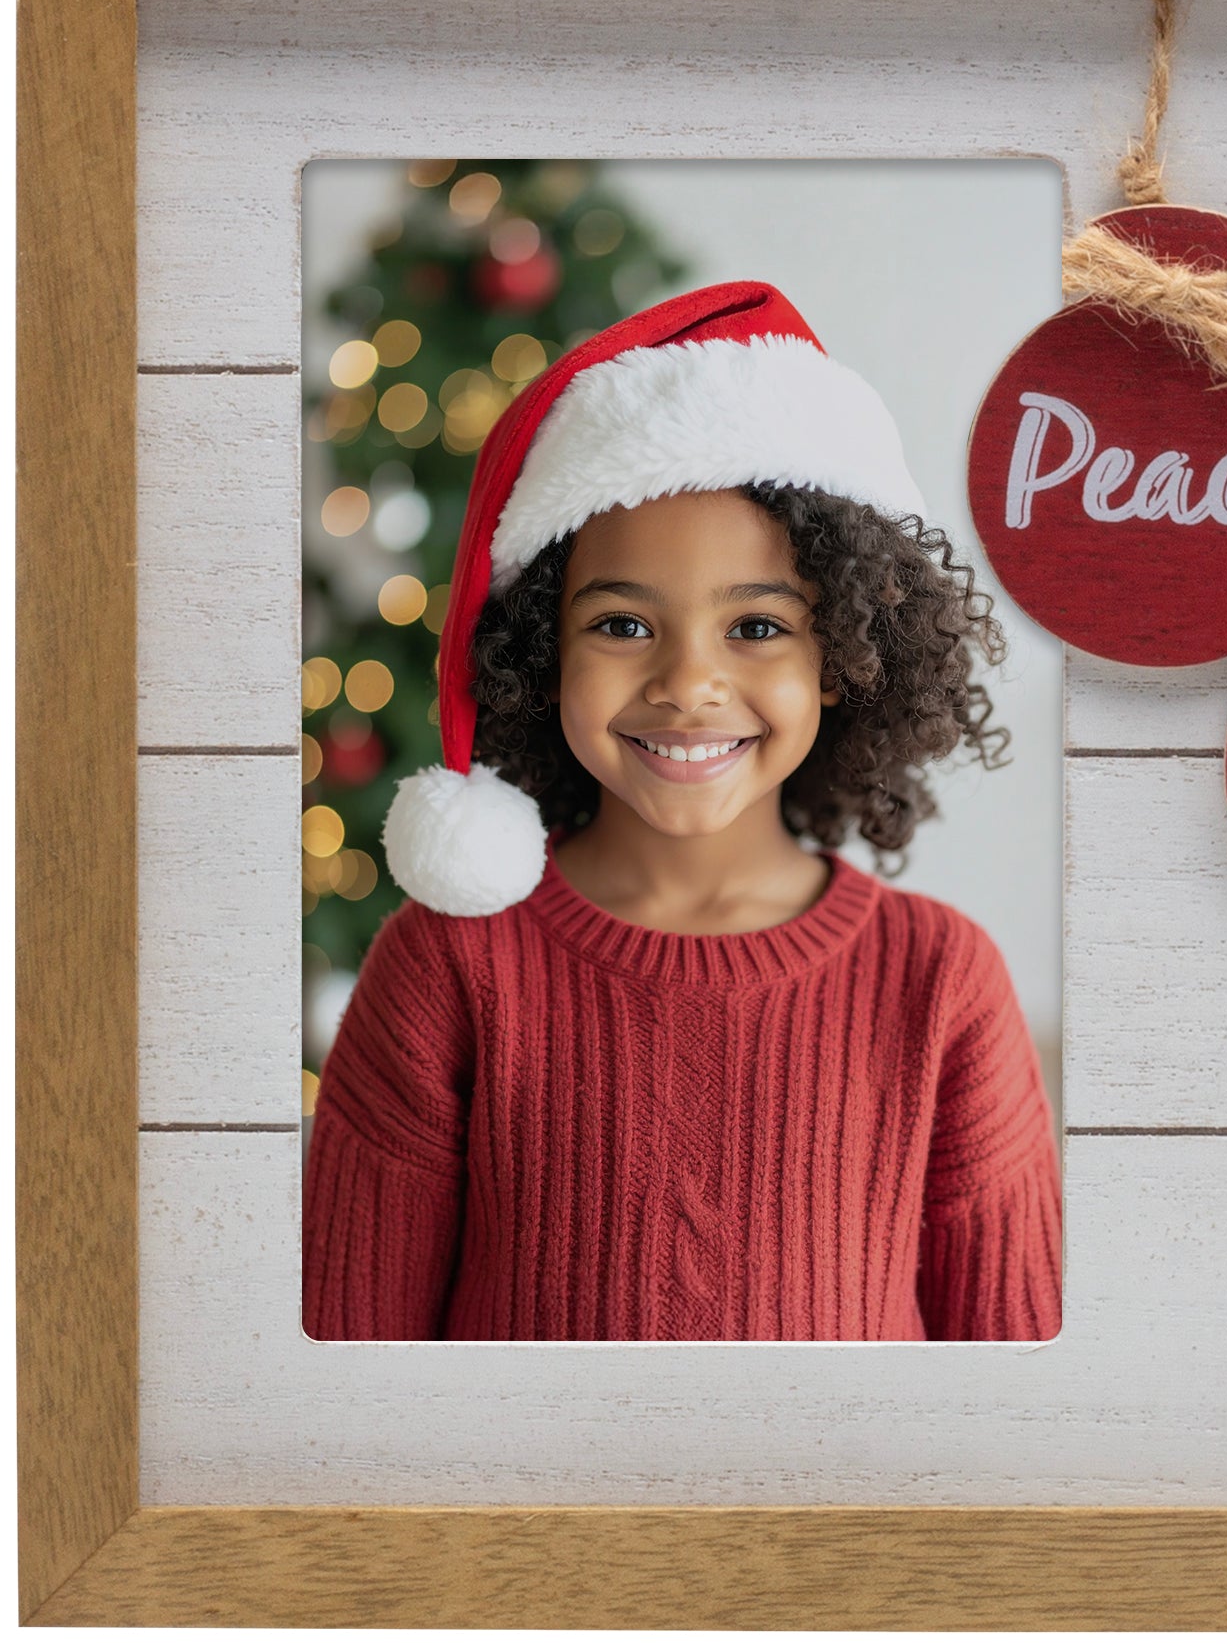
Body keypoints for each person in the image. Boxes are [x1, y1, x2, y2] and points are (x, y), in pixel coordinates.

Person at [302, 279, 1064, 1342]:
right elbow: (346, 1364)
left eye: (756, 628)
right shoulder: (446, 966)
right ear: (540, 651)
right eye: (622, 625)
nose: (688, 685)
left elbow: (1016, 1389)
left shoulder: (942, 982)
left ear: (846, 657)